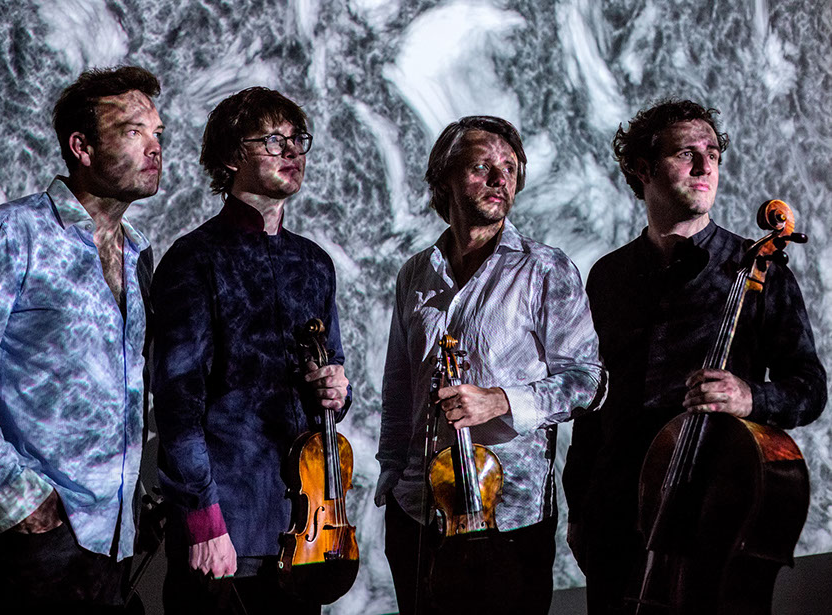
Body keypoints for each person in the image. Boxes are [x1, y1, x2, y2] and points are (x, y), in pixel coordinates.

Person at [563, 99, 827, 614]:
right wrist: (580, 508)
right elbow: (591, 403)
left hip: (711, 509)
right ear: (643, 168)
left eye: (713, 154)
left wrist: (750, 396)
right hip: (617, 516)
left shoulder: (759, 270)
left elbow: (809, 388)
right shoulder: (607, 277)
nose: (706, 166)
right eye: (687, 153)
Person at [0, 65, 164, 612]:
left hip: (119, 532)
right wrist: (15, 494)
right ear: (82, 147)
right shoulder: (14, 232)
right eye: (133, 131)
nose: (154, 147)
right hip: (47, 531)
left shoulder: (137, 252)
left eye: (157, 133)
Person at [375, 115, 606, 614]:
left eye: (510, 169)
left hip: (508, 516)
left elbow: (588, 381)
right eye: (482, 167)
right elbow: (399, 385)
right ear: (444, 179)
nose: (501, 179)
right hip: (417, 512)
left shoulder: (545, 269)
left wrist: (501, 401)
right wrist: (392, 473)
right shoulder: (415, 272)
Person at [151, 86, 351, 615]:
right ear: (230, 156)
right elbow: (177, 405)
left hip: (303, 527)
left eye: (298, 139)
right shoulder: (194, 258)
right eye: (273, 140)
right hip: (226, 524)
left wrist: (336, 390)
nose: (292, 151)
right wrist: (202, 518)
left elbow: (331, 374)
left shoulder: (314, 263)